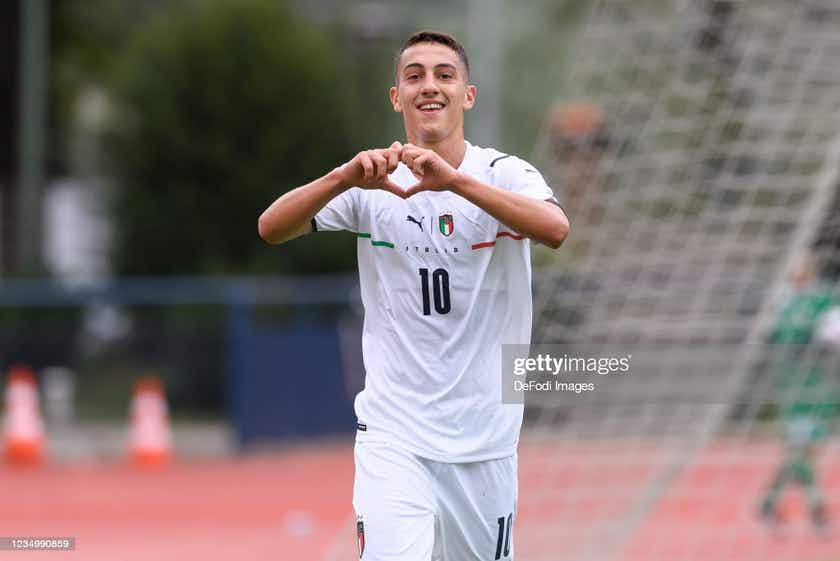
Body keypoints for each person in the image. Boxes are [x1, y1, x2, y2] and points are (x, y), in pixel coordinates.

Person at [258, 30, 569, 560]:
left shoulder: (502, 173)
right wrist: (341, 178)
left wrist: (455, 183)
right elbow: (272, 227)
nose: (430, 86)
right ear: (396, 96)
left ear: (467, 94)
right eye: (415, 75)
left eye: (444, 75)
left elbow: (555, 228)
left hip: (484, 444)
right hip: (394, 437)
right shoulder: (372, 182)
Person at [758, 254, 840, 533]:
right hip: (796, 384)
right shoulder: (787, 301)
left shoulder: (820, 299)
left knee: (804, 450)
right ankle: (817, 511)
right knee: (801, 449)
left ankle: (767, 504)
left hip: (817, 382)